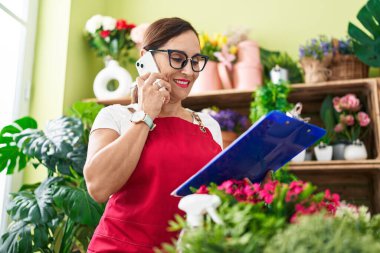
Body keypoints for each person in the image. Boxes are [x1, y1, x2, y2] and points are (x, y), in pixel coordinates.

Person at [84, 17, 224, 252]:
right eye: (178, 59)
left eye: (196, 61)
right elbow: (98, 187)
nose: (189, 71)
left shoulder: (209, 126)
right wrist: (146, 114)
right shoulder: (115, 116)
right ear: (146, 58)